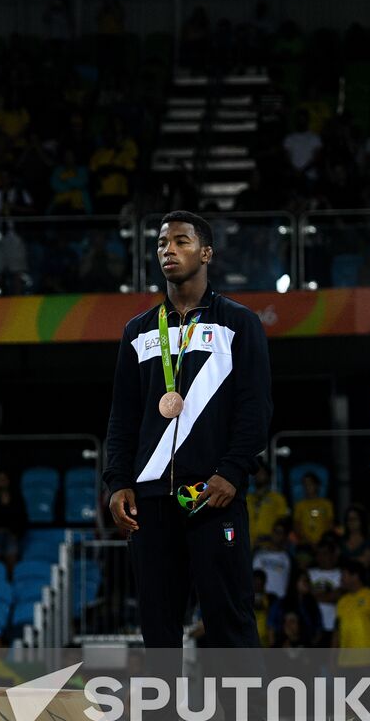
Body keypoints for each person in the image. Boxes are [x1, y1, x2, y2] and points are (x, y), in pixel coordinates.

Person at [104, 211, 272, 649]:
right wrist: (118, 480)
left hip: (213, 494)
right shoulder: (137, 331)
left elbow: (255, 409)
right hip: (150, 500)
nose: (168, 250)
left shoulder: (238, 323)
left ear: (206, 252)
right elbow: (122, 416)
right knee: (157, 628)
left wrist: (232, 471)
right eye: (162, 243)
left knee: (229, 618)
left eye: (180, 241)